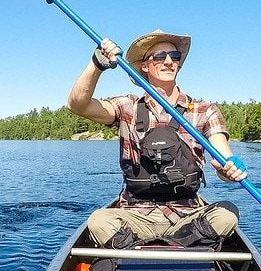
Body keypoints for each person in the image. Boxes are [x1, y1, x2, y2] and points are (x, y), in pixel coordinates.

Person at [67, 29, 248, 248]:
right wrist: (97, 64)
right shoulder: (127, 107)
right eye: (160, 56)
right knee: (99, 221)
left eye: (175, 57)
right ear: (144, 66)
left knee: (227, 214)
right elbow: (77, 104)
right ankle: (179, 246)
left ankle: (150, 246)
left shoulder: (204, 110)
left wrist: (229, 169)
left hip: (187, 217)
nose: (169, 61)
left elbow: (224, 157)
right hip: (135, 215)